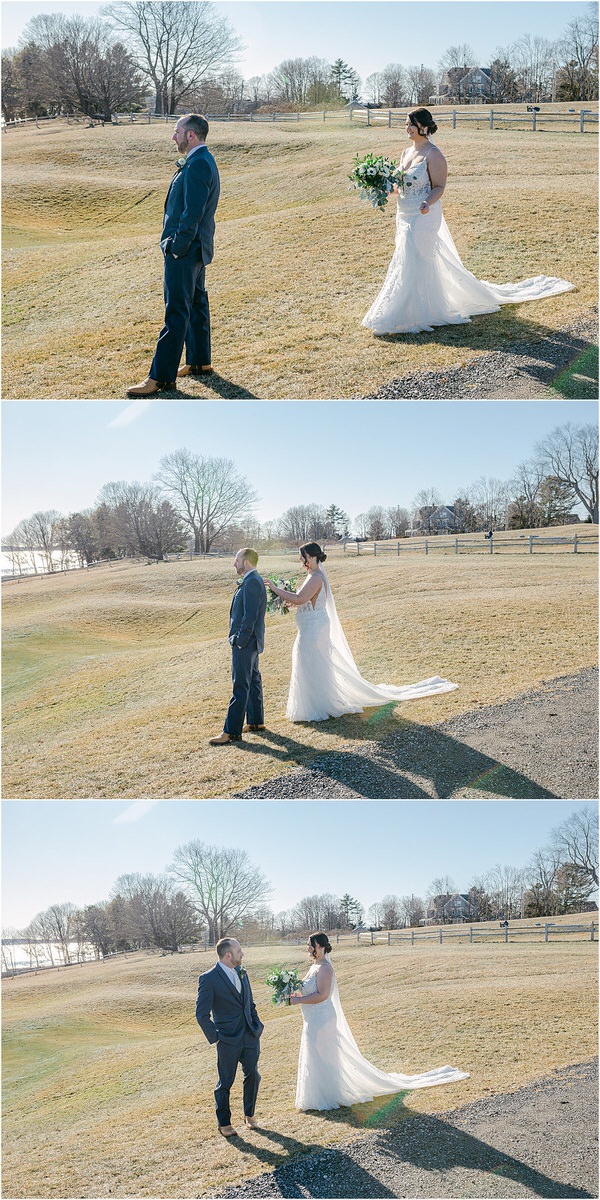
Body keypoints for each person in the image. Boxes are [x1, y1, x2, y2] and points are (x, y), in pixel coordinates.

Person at [362, 108, 574, 336]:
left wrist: (426, 202)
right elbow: (400, 186)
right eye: (406, 124)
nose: (406, 128)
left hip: (425, 213)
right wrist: (380, 187)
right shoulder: (405, 153)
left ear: (423, 127)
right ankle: (415, 305)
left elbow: (439, 187)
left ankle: (414, 313)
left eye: (410, 124)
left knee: (414, 252)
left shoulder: (434, 155)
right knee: (407, 255)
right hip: (404, 213)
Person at [264, 542, 457, 723]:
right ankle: (316, 702)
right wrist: (286, 601)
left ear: (312, 557)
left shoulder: (315, 577)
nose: (300, 560)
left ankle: (319, 705)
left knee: (313, 663)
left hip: (314, 629)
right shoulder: (312, 576)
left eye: (302, 556)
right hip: (310, 626)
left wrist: (275, 588)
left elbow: (300, 598)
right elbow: (304, 601)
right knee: (312, 664)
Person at [289, 933, 469, 1111]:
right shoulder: (315, 966)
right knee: (315, 1053)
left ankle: (329, 1095)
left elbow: (322, 995)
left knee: (325, 1055)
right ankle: (315, 1095)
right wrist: (293, 993)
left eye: (310, 944)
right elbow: (309, 990)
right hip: (312, 1020)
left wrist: (298, 1001)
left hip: (322, 1019)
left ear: (319, 946)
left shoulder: (325, 968)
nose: (308, 948)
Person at [127, 113, 220, 396]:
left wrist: (177, 248)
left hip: (186, 251)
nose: (173, 136)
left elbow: (193, 212)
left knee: (176, 311)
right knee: (197, 304)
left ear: (190, 135)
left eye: (176, 131)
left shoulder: (198, 165)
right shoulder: (203, 160)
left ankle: (161, 377)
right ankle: (199, 362)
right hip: (197, 249)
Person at [195, 937, 264, 1137]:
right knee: (225, 1082)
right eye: (239, 950)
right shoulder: (208, 978)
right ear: (228, 955)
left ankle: (249, 1115)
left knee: (253, 1074)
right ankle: (224, 1123)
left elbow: (249, 1004)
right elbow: (201, 1014)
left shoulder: (243, 973)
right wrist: (216, 1037)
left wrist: (257, 1026)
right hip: (227, 1039)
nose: (242, 954)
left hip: (250, 1035)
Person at [210, 548, 267, 745]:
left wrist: (240, 641)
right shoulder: (254, 580)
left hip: (246, 643)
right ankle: (255, 722)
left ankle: (231, 731)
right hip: (253, 642)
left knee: (240, 685)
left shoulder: (251, 583)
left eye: (237, 560)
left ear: (247, 562)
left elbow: (249, 617)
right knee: (253, 680)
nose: (234, 564)